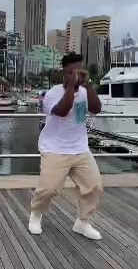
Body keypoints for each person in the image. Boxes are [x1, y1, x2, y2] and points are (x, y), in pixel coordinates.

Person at [28, 53, 104, 239]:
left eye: (80, 71)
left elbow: (96, 108)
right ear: (64, 72)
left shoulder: (85, 91)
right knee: (49, 189)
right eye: (72, 72)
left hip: (80, 149)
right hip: (55, 149)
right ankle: (36, 214)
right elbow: (62, 111)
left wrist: (87, 84)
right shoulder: (52, 94)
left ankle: (83, 222)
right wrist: (71, 86)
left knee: (94, 186)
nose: (76, 75)